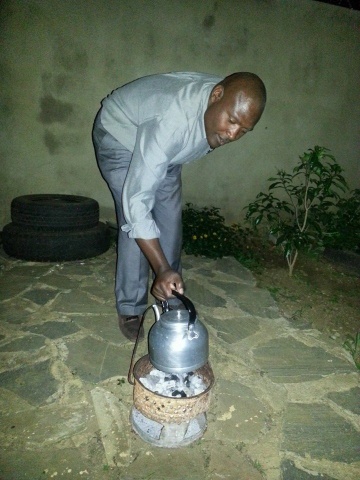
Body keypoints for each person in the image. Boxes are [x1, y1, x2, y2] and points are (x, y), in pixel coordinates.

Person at [92, 71, 266, 341]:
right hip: (120, 136)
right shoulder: (171, 119)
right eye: (231, 121)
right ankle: (130, 306)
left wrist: (165, 269)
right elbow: (137, 202)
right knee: (137, 219)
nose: (233, 134)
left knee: (170, 222)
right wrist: (160, 266)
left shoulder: (219, 102)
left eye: (243, 130)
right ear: (216, 96)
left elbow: (168, 147)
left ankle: (170, 291)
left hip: (166, 150)